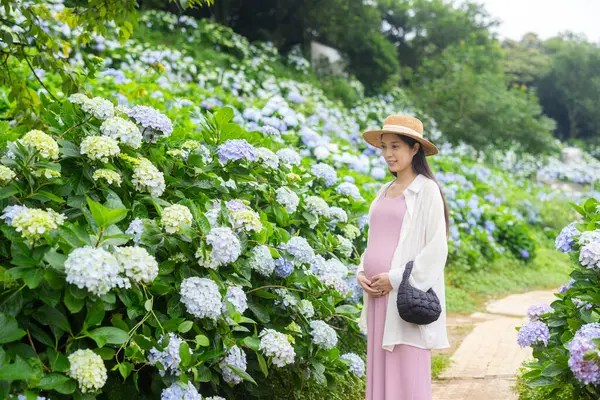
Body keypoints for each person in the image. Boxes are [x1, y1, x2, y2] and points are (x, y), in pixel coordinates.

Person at [356, 115, 450, 400]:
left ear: (414, 149)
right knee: (381, 370)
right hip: (376, 296)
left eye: (395, 146)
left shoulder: (427, 190)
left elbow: (436, 248)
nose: (387, 154)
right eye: (384, 147)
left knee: (406, 374)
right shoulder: (384, 191)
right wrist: (361, 271)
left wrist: (394, 279)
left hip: (404, 297)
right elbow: (375, 239)